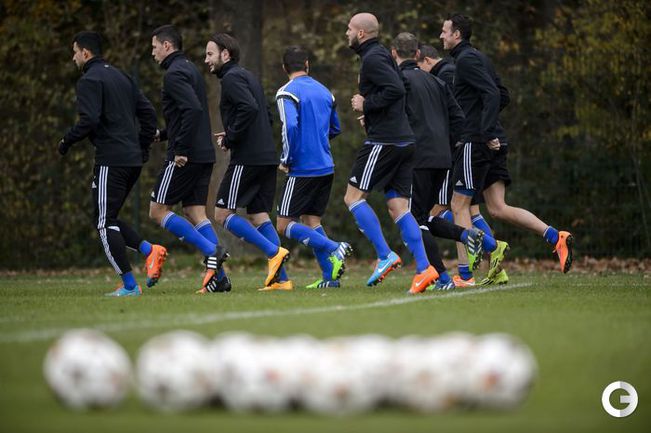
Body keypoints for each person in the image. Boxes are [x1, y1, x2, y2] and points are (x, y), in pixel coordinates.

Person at [441, 14, 573, 280]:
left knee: (458, 205)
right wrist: (489, 128)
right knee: (497, 208)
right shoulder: (480, 57)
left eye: (444, 31)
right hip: (491, 140)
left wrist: (485, 130)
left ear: (457, 34)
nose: (441, 36)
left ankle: (465, 276)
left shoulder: (465, 60)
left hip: (475, 141)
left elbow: (493, 94)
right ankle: (554, 236)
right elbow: (502, 94)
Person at [391, 32, 505, 291]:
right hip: (443, 159)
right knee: (426, 217)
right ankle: (469, 234)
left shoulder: (400, 81)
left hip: (417, 158)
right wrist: (446, 145)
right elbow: (459, 119)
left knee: (413, 219)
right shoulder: (437, 82)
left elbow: (394, 119)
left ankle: (440, 277)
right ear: (417, 54)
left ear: (394, 54)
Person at [59, 31, 166, 297]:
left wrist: (66, 141)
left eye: (75, 52)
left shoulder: (89, 80)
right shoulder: (121, 76)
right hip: (131, 160)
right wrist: (142, 146)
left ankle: (130, 286)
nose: (73, 58)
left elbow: (89, 120)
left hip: (111, 159)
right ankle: (149, 250)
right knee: (109, 218)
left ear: (85, 53)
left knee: (104, 223)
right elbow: (148, 113)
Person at [345, 13, 439, 294]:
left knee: (352, 197)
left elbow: (396, 89)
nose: (346, 33)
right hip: (402, 140)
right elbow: (402, 88)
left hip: (384, 141)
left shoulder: (373, 58)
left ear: (361, 33)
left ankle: (384, 254)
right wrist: (379, 114)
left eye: (349, 29)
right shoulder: (382, 55)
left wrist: (367, 104)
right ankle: (424, 269)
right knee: (398, 207)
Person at [205, 33, 290, 291]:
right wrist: (241, 133)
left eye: (210, 54)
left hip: (248, 158)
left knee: (222, 213)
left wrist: (232, 136)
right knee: (258, 214)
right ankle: (281, 280)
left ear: (225, 54)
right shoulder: (248, 76)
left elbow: (249, 108)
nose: (206, 59)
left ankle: (273, 252)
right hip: (265, 156)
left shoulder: (231, 78)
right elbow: (265, 114)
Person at [149, 25, 229, 294]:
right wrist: (163, 134)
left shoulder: (174, 73)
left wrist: (180, 148)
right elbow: (187, 114)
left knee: (157, 210)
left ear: (167, 46)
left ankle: (212, 250)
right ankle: (220, 277)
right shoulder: (190, 69)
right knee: (195, 212)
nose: (153, 53)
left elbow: (192, 110)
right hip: (203, 153)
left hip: (185, 155)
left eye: (155, 47)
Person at [418, 42, 501, 286]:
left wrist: (482, 131)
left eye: (445, 31)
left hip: (455, 149)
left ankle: (469, 269)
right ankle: (490, 257)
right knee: (465, 209)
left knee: (448, 209)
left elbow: (457, 113)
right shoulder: (451, 71)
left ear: (425, 60)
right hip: (456, 148)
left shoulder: (445, 75)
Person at [274, 46, 352, 290]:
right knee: (311, 221)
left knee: (283, 225)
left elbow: (290, 127)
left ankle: (334, 247)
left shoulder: (287, 92)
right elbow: (335, 128)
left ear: (284, 68)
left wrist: (286, 158)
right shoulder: (325, 91)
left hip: (302, 168)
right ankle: (330, 277)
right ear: (307, 65)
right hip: (326, 166)